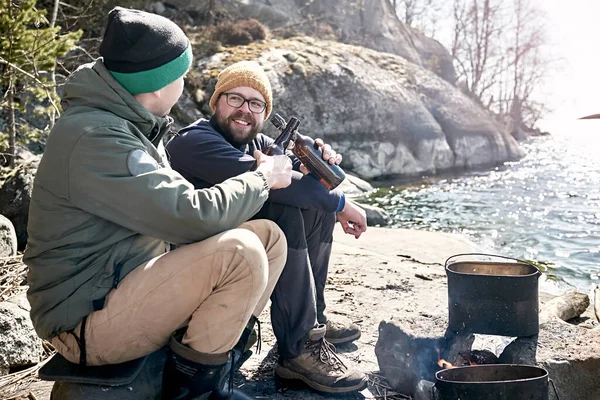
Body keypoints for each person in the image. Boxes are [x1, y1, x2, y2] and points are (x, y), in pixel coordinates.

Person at [23, 8, 294, 400]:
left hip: (123, 282)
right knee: (241, 252)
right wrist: (263, 178)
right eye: (180, 75)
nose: (184, 82)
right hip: (85, 319)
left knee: (269, 239)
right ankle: (194, 394)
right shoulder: (97, 137)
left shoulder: (128, 123)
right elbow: (190, 215)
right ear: (156, 85)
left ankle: (215, 367)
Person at [165, 61, 369, 394]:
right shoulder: (196, 142)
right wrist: (343, 204)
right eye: (235, 99)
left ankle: (311, 321)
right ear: (216, 101)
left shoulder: (257, 145)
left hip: (232, 255)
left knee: (311, 209)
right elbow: (290, 189)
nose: (244, 110)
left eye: (255, 103)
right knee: (278, 208)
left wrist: (318, 161)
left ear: (264, 112)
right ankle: (299, 348)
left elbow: (322, 188)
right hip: (189, 267)